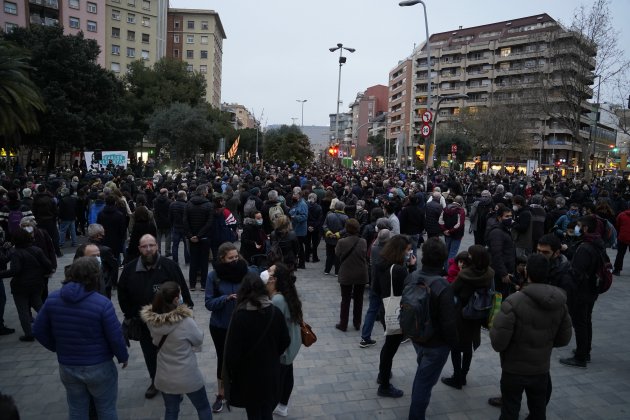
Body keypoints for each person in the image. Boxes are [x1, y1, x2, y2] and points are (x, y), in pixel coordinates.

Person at [32, 257, 129, 420]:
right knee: (106, 409)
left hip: (68, 366)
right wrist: (122, 356)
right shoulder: (102, 303)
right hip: (99, 366)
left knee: (77, 409)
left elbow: (38, 329)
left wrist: (56, 347)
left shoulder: (53, 299)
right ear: (95, 277)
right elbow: (115, 337)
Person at [490, 254, 572, 420]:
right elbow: (564, 339)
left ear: (527, 272)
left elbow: (498, 342)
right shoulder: (559, 302)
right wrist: (545, 342)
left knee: (510, 410)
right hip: (540, 369)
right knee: (538, 411)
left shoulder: (513, 302)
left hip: (514, 369)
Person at [118, 234, 193, 399]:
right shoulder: (130, 269)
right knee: (150, 354)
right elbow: (122, 294)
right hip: (145, 323)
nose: (149, 249)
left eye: (151, 245)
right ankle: (155, 381)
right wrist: (131, 315)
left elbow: (183, 290)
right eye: (144, 246)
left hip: (170, 322)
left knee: (171, 354)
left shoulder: (169, 266)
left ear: (157, 246)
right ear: (139, 249)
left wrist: (187, 310)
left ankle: (174, 385)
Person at [140, 281, 212, 420]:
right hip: (188, 375)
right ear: (175, 299)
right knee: (203, 407)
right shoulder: (185, 321)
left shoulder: (152, 321)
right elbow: (198, 340)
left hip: (165, 376)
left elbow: (155, 341)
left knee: (171, 411)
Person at [223, 272, 290, 419]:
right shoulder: (275, 312)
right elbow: (285, 340)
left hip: (248, 375)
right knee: (267, 409)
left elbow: (232, 353)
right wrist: (272, 354)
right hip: (270, 372)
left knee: (253, 412)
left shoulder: (239, 316)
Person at [407, 237, 458, 420]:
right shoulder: (442, 285)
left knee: (423, 374)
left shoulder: (412, 276)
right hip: (435, 343)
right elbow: (448, 322)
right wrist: (454, 344)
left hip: (416, 334)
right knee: (424, 382)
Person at [204, 242, 252, 413]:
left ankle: (241, 390)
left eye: (236, 257)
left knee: (244, 358)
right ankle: (221, 393)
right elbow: (208, 303)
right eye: (230, 258)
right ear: (222, 259)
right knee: (223, 360)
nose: (234, 260)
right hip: (220, 326)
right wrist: (225, 298)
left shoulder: (246, 271)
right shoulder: (214, 276)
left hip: (243, 325)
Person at [441, 245, 493, 389]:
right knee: (469, 345)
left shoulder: (465, 275)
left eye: (470, 256)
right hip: (479, 313)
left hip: (462, 314)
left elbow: (452, 291)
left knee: (456, 346)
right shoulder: (489, 273)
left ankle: (457, 378)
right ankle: (463, 375)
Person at [373, 234, 417, 398]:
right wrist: (412, 268)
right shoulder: (399, 270)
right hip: (396, 312)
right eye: (407, 250)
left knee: (388, 345)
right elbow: (410, 289)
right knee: (391, 347)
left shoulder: (381, 263)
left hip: (385, 308)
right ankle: (384, 384)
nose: (410, 252)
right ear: (400, 251)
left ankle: (382, 374)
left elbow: (376, 288)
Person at [560, 215, 604, 368]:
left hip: (582, 291)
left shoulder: (585, 247)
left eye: (579, 226)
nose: (577, 228)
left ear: (585, 228)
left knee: (580, 323)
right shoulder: (596, 242)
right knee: (586, 321)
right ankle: (585, 351)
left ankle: (580, 357)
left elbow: (576, 272)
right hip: (592, 289)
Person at [263, 263, 303, 417]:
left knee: (279, 380)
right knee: (287, 375)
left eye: (270, 271)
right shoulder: (286, 293)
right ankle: (283, 405)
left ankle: (274, 405)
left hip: (283, 349)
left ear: (274, 279)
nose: (266, 272)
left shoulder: (278, 299)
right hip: (292, 345)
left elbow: (272, 328)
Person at [0, 228, 53, 341]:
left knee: (23, 310)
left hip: (20, 286)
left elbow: (14, 270)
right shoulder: (37, 250)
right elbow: (48, 264)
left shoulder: (15, 252)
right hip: (37, 283)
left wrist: (1, 274)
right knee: (39, 304)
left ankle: (29, 334)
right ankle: (52, 325)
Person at [359, 228, 391, 348]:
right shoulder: (391, 251)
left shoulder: (374, 248)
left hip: (375, 284)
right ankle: (391, 335)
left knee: (372, 311)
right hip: (387, 286)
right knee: (388, 312)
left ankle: (365, 337)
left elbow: (371, 263)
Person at [334, 219, 368, 332]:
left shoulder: (342, 242)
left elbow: (337, 254)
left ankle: (343, 324)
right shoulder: (363, 241)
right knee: (359, 299)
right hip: (361, 273)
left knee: (345, 299)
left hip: (346, 273)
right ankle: (357, 323)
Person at [184, 185, 214, 291]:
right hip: (204, 237)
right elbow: (209, 222)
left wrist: (191, 235)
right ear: (204, 193)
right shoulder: (209, 205)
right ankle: (203, 284)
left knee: (193, 261)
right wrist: (200, 235)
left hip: (192, 238)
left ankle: (192, 285)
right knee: (204, 261)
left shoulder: (188, 204)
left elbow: (185, 221)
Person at [486, 205, 516, 298]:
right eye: (507, 216)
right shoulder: (497, 232)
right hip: (500, 273)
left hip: (506, 270)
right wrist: (503, 273)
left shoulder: (504, 230)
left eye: (511, 216)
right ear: (499, 218)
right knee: (498, 297)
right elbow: (496, 254)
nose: (510, 219)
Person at [96, 194, 127, 265]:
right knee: (116, 258)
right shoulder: (119, 214)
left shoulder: (100, 214)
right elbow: (122, 229)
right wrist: (122, 238)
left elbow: (98, 227)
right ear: (115, 202)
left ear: (105, 202)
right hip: (116, 240)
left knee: (104, 260)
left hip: (104, 239)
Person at [439, 195, 466, 269]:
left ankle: (445, 267)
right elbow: (459, 224)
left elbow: (440, 221)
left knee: (447, 250)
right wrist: (450, 231)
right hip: (456, 234)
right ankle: (449, 269)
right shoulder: (461, 211)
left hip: (447, 233)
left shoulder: (445, 208)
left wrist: (445, 230)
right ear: (461, 202)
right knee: (453, 252)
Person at [322, 200, 348, 275]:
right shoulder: (345, 217)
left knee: (329, 255)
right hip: (339, 239)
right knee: (338, 256)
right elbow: (346, 229)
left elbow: (324, 225)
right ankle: (337, 272)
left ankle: (327, 270)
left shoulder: (329, 215)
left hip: (329, 238)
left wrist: (329, 233)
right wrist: (337, 234)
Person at [288, 187, 308, 269]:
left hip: (299, 230)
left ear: (299, 194)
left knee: (299, 247)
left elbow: (304, 216)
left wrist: (294, 217)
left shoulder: (302, 204)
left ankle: (301, 264)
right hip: (294, 228)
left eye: (294, 194)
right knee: (296, 247)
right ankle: (297, 263)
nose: (293, 195)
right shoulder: (296, 202)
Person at [169, 190, 190, 265]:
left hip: (176, 227)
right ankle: (187, 259)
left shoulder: (172, 204)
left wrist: (172, 225)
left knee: (175, 245)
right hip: (184, 228)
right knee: (186, 245)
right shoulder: (186, 205)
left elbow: (170, 216)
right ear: (184, 196)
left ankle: (175, 260)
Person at [153, 188, 172, 257]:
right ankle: (167, 251)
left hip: (158, 221)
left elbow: (154, 211)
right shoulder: (169, 201)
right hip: (167, 221)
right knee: (168, 237)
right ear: (165, 193)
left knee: (158, 237)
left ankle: (158, 251)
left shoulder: (155, 201)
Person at [304, 193, 323, 263]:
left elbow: (305, 218)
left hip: (307, 227)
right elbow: (319, 220)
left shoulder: (305, 206)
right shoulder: (319, 207)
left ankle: (306, 257)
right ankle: (315, 258)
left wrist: (308, 226)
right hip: (315, 228)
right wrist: (314, 227)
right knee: (314, 244)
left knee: (307, 243)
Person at [613, 204, 630, 275]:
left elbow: (617, 224)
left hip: (623, 237)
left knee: (620, 253)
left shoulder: (621, 215)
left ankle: (617, 270)